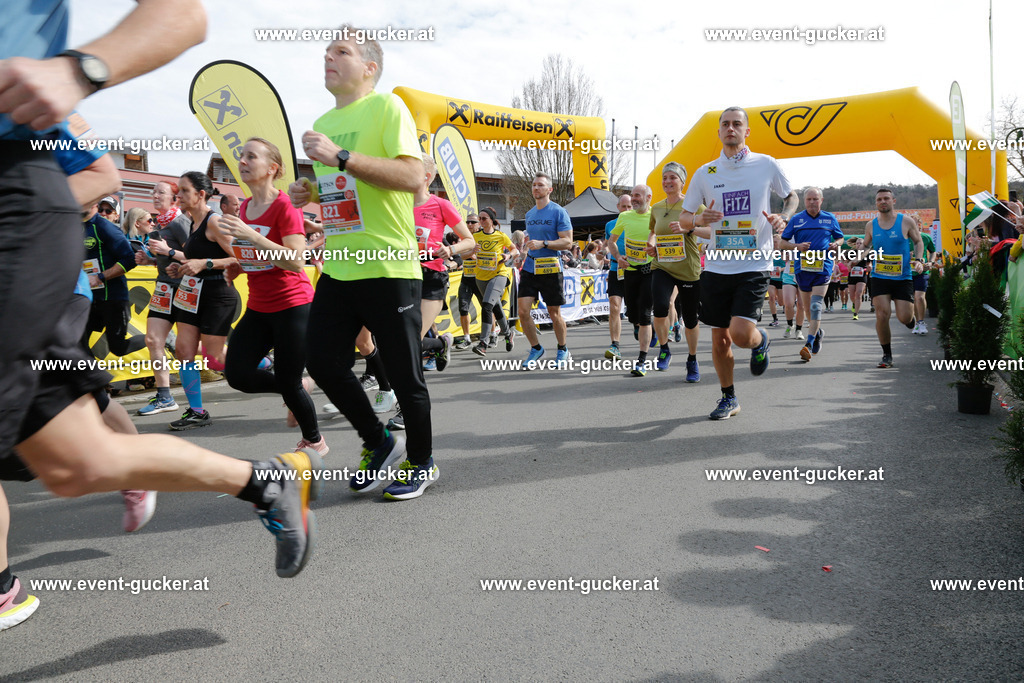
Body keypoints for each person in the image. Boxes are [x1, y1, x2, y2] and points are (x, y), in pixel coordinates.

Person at [0, 0, 319, 600]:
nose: (240, 164)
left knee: (212, 361)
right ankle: (263, 481)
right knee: (76, 467)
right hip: (191, 292)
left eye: (250, 157)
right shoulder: (226, 214)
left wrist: (77, 71)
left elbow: (182, 14)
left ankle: (293, 403)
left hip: (260, 293)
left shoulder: (268, 208)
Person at [290, 28, 438, 500]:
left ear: (369, 67)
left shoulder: (387, 107)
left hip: (389, 264)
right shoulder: (321, 120)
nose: (328, 58)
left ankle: (422, 461)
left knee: (402, 375)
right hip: (340, 265)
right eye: (326, 52)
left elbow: (412, 175)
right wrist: (311, 191)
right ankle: (378, 442)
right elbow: (346, 190)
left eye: (341, 52)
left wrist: (342, 155)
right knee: (321, 361)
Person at [679, 106, 798, 419]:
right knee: (720, 337)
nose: (730, 128)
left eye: (737, 124)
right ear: (718, 132)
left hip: (754, 264)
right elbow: (684, 217)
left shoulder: (766, 164)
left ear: (747, 132)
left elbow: (791, 197)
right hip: (716, 266)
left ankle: (761, 341)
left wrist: (782, 217)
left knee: (741, 334)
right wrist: (697, 218)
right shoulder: (705, 173)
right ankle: (728, 397)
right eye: (725, 124)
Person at [217, 137, 326, 456]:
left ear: (272, 168)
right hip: (259, 306)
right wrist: (240, 264)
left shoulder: (285, 207)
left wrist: (248, 235)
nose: (243, 161)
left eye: (252, 156)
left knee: (289, 380)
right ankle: (298, 388)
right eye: (242, 156)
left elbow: (294, 259)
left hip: (293, 306)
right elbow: (260, 251)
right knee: (237, 374)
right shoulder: (247, 207)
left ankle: (315, 442)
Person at [163, 171, 240, 430]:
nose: (179, 195)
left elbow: (241, 259)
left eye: (184, 190)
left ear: (201, 194)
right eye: (178, 190)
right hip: (191, 293)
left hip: (218, 294)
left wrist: (204, 263)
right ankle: (197, 411)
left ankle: (264, 363)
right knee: (184, 351)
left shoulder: (215, 221)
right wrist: (181, 268)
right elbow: (194, 261)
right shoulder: (192, 224)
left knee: (215, 359)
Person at [135, 181, 191, 415]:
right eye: (153, 191)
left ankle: (258, 362)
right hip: (163, 289)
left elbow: (195, 257)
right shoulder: (158, 224)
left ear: (174, 198)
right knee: (153, 340)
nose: (155, 195)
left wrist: (167, 251)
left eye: (161, 192)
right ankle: (165, 396)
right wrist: (149, 260)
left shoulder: (180, 222)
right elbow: (165, 259)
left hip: (186, 290)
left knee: (193, 348)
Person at [648, 161, 702, 382]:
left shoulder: (695, 206)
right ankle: (664, 349)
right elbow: (653, 231)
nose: (668, 181)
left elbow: (712, 230)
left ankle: (692, 359)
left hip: (688, 268)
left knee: (690, 319)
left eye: (673, 178)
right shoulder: (657, 207)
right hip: (662, 265)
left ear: (682, 182)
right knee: (660, 307)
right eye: (665, 177)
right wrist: (651, 244)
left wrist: (689, 227)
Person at [776, 187, 844, 362]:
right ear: (805, 201)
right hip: (802, 269)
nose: (812, 202)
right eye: (809, 199)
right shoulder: (797, 219)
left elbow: (840, 238)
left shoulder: (830, 218)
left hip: (824, 267)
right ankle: (818, 332)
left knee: (815, 306)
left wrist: (836, 244)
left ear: (821, 200)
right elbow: (783, 243)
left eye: (815, 199)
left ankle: (809, 343)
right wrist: (796, 247)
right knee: (807, 309)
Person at [862, 188, 925, 368]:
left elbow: (918, 241)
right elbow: (866, 245)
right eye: (879, 199)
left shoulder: (906, 221)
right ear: (876, 203)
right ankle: (886, 355)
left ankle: (911, 320)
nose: (883, 202)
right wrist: (859, 256)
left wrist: (919, 260)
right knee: (882, 314)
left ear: (893, 201)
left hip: (902, 276)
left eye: (886, 199)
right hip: (879, 276)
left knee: (904, 317)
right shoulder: (871, 225)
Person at [517, 172, 574, 368]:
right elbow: (532, 241)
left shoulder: (558, 212)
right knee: (523, 311)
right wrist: (524, 252)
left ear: (549, 189)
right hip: (531, 267)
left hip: (550, 267)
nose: (536, 188)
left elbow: (568, 241)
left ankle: (563, 348)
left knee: (553, 312)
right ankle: (536, 348)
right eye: (534, 185)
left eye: (540, 185)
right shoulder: (529, 214)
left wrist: (544, 243)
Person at [81, 202, 147, 358]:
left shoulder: (104, 227)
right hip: (90, 298)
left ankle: (158, 338)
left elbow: (130, 259)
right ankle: (98, 381)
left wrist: (99, 277)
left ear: (92, 204)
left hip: (112, 298)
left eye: (108, 210)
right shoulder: (74, 226)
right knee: (77, 342)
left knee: (118, 348)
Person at [469, 208, 518, 358]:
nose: (481, 221)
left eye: (484, 219)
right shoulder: (475, 236)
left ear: (491, 220)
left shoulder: (500, 236)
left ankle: (483, 343)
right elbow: (465, 254)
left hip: (499, 274)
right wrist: (472, 252)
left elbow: (515, 250)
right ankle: (508, 333)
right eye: (480, 219)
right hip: (481, 276)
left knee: (487, 306)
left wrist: (507, 255)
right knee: (495, 306)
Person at [604, 194, 632, 359]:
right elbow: (609, 243)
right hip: (616, 268)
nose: (627, 210)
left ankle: (638, 325)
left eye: (630, 207)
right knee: (614, 306)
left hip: (634, 268)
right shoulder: (610, 225)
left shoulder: (639, 222)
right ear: (618, 207)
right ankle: (615, 344)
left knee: (635, 309)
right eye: (624, 207)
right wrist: (604, 252)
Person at [911, 223, 937, 334]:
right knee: (912, 300)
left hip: (922, 272)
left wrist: (930, 262)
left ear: (919, 225)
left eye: (914, 224)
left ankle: (921, 322)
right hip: (907, 273)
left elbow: (933, 251)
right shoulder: (902, 238)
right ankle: (916, 322)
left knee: (919, 297)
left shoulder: (925, 237)